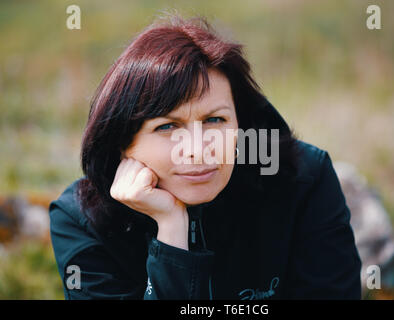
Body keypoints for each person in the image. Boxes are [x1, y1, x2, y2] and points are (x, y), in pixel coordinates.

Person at [49, 14, 362, 300]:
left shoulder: (303, 179)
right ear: (122, 143)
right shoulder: (81, 220)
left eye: (215, 120)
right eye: (168, 126)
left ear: (241, 123)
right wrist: (172, 235)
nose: (197, 148)